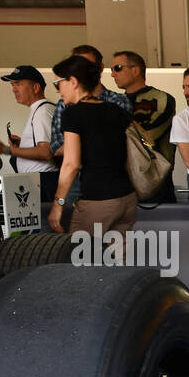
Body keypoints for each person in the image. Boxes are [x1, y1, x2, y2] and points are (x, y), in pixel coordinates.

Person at [47, 54, 136, 239]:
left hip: (98, 200)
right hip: (127, 198)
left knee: (82, 260)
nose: (58, 91)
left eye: (58, 83)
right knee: (120, 261)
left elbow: (71, 164)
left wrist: (58, 204)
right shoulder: (116, 110)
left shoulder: (73, 114)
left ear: (73, 81)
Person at [0, 66, 59, 199]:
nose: (13, 89)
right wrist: (23, 145)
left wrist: (5, 149)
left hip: (45, 183)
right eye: (12, 85)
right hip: (40, 182)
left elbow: (46, 152)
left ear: (36, 88)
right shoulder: (40, 110)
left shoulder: (42, 111)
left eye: (18, 84)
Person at [111, 51, 175, 201]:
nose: (113, 74)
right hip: (122, 180)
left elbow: (149, 136)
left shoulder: (162, 98)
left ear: (135, 70)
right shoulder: (113, 103)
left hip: (155, 176)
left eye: (118, 68)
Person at [49, 45, 132, 159]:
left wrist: (74, 142)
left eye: (87, 66)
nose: (81, 71)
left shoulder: (117, 102)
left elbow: (119, 143)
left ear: (100, 68)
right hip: (80, 175)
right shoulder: (65, 104)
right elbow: (56, 147)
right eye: (76, 66)